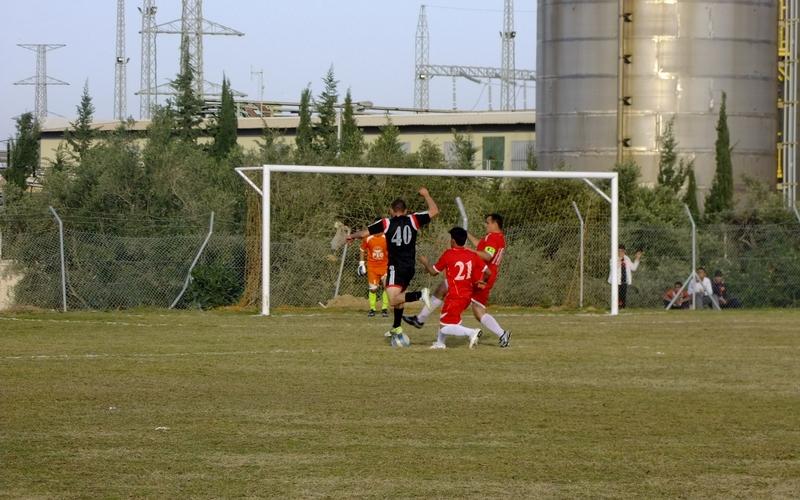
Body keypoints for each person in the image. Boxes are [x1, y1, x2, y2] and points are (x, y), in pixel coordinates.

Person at [403, 213, 511, 348]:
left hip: (480, 277)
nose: (485, 225)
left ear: (495, 224)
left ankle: (498, 334)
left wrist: (467, 251)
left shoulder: (493, 238)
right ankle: (431, 331)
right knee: (445, 289)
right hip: (481, 275)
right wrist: (466, 234)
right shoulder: (496, 238)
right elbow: (481, 246)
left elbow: (487, 256)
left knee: (473, 310)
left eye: (487, 222)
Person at [347, 187, 439, 340]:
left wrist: (351, 236)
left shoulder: (386, 223)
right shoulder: (414, 219)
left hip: (395, 267)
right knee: (400, 298)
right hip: (410, 267)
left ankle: (420, 294)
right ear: (406, 210)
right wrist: (426, 194)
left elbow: (364, 233)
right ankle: (396, 328)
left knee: (393, 300)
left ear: (391, 210)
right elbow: (434, 210)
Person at [417, 227, 490, 349]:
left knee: (445, 326)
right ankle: (440, 343)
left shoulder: (449, 254)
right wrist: (483, 281)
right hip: (466, 296)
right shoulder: (472, 254)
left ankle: (471, 332)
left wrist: (425, 262)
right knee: (444, 318)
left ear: (453, 241)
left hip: (455, 296)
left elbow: (433, 272)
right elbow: (488, 272)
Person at [359, 231, 389, 317]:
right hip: (372, 267)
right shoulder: (368, 238)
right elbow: (362, 249)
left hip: (385, 266)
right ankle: (372, 309)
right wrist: (361, 263)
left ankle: (384, 309)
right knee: (373, 289)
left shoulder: (387, 237)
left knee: (386, 286)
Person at [608, 245, 642, 309]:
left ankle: (622, 308)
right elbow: (614, 268)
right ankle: (615, 308)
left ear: (624, 251)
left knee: (623, 298)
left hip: (624, 281)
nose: (621, 253)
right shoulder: (613, 258)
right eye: (619, 251)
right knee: (616, 297)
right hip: (616, 282)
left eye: (622, 251)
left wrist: (637, 258)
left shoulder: (627, 259)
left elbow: (633, 268)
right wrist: (619, 260)